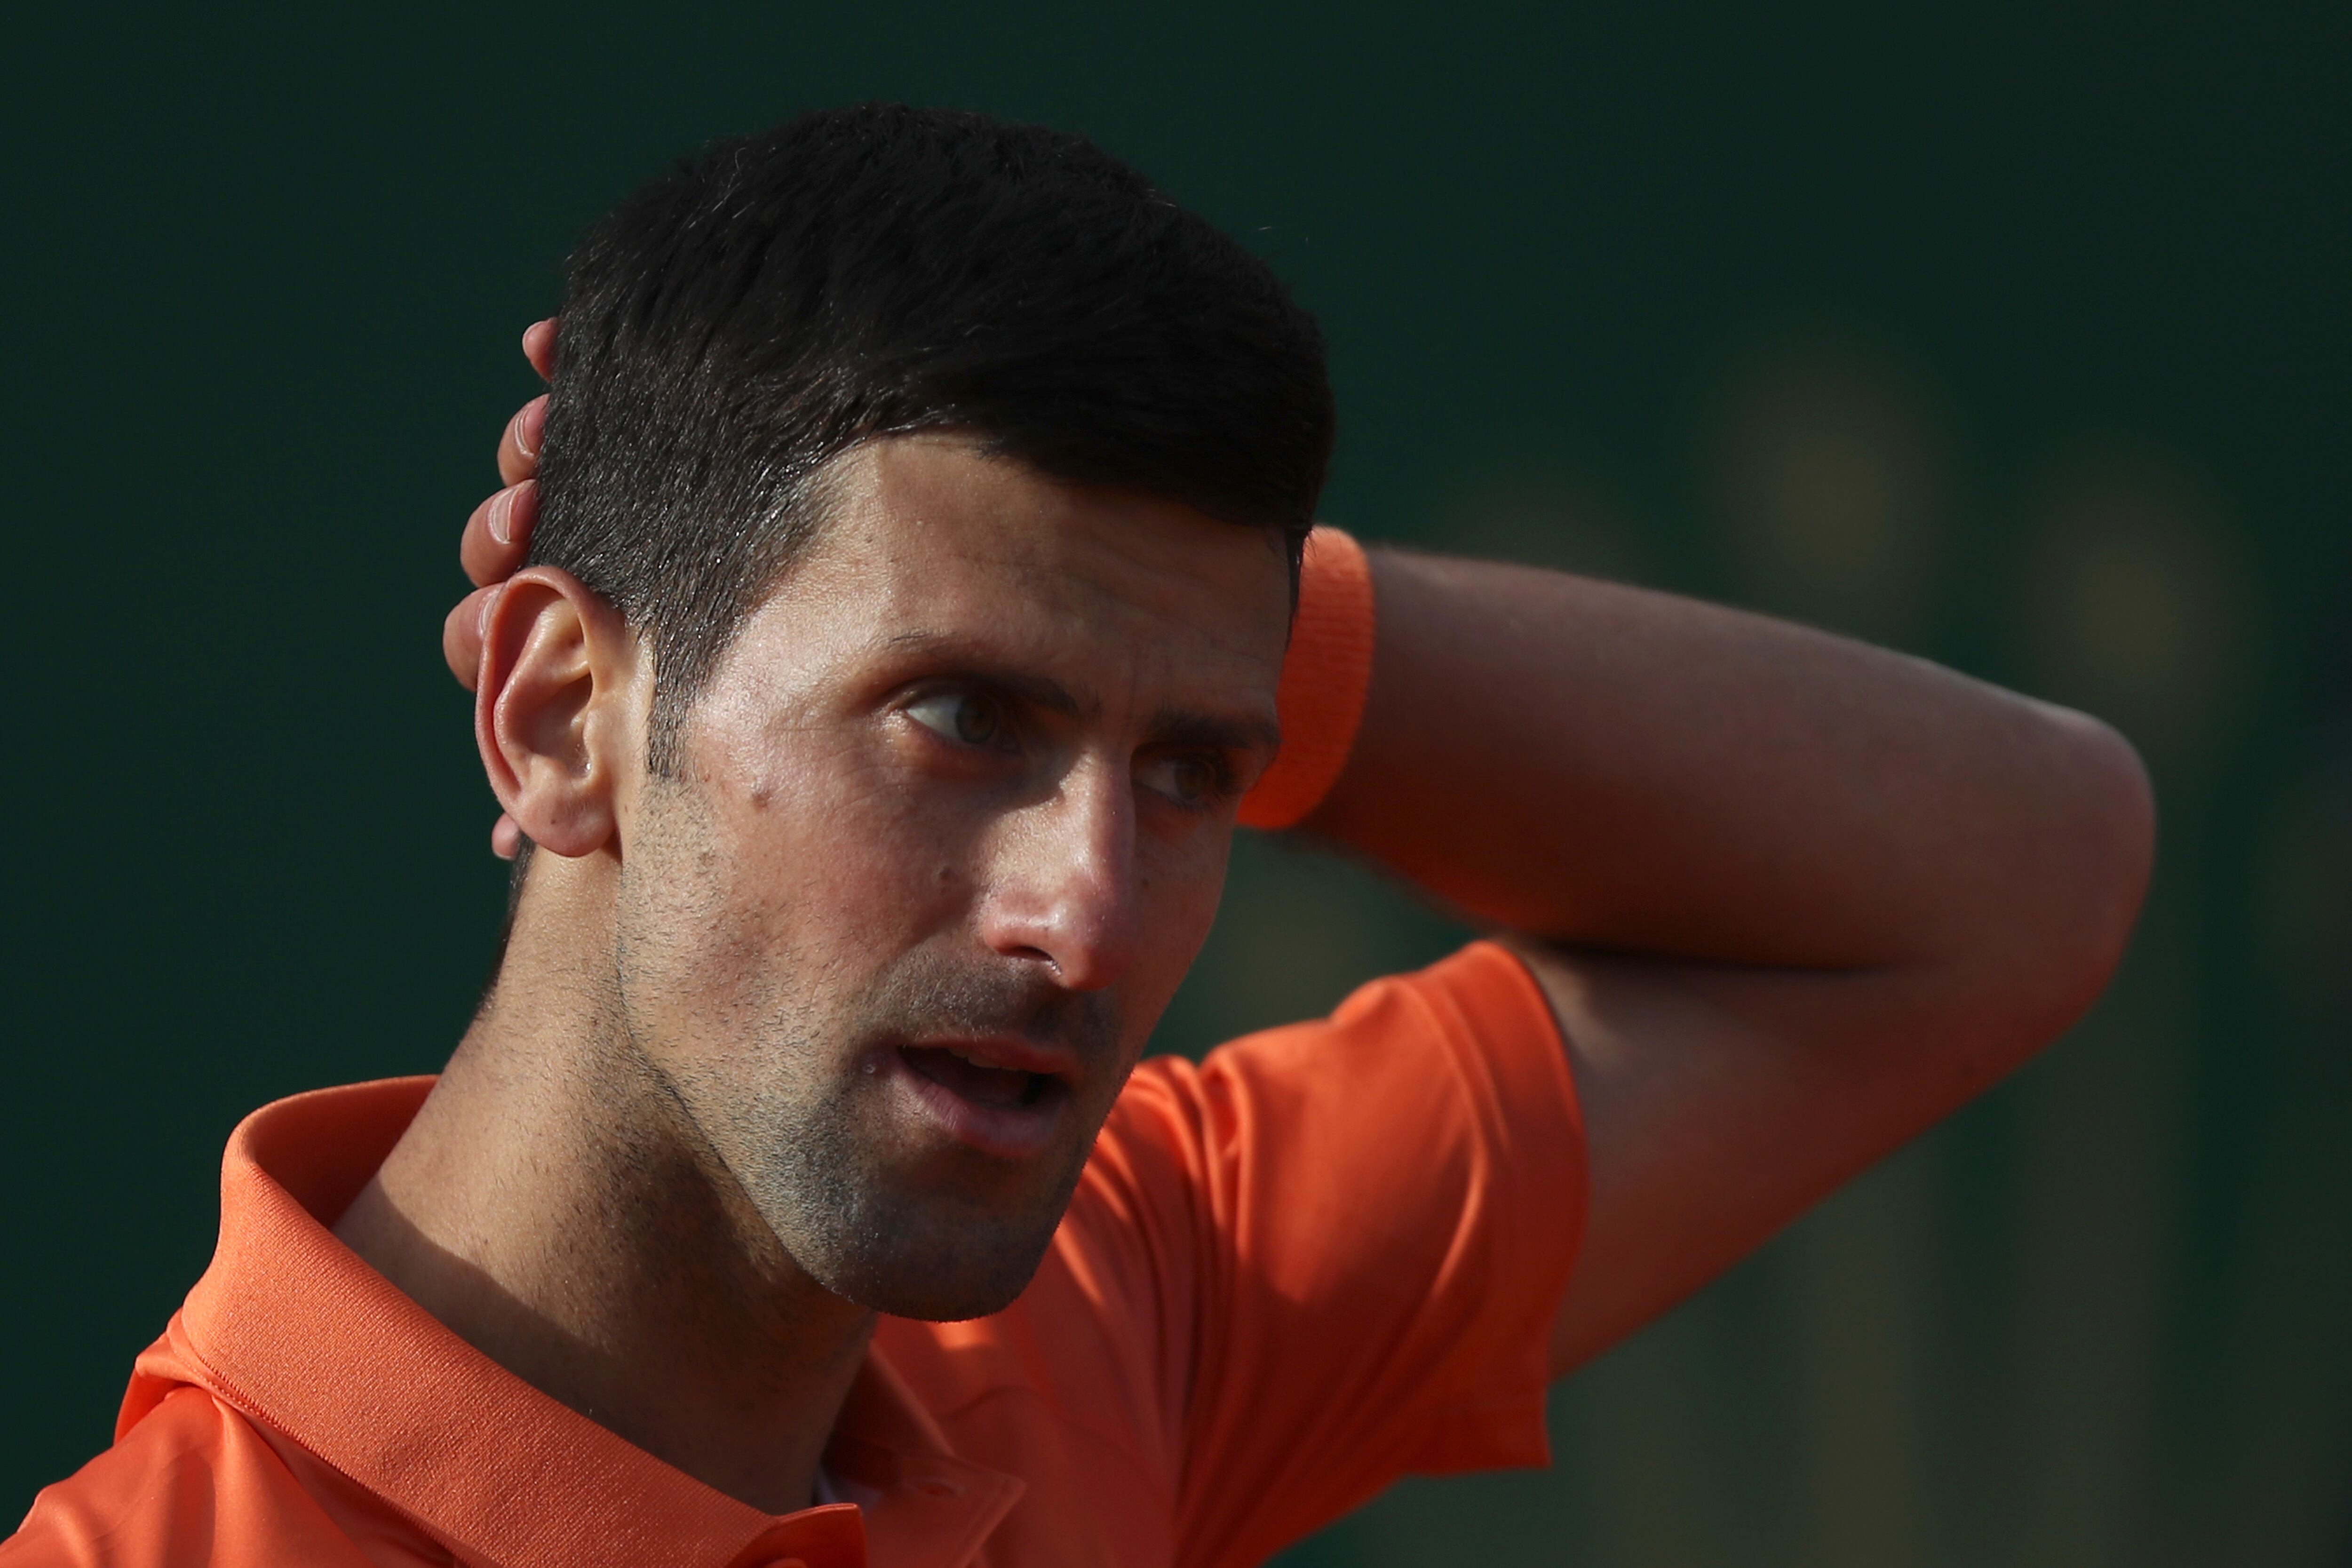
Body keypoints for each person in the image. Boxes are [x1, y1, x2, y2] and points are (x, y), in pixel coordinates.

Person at [4, 104, 2154, 1568]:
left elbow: (2017, 866)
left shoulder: (1118, 1308)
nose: (1094, 910)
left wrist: (1194, 629)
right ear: (563, 717)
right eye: (959, 718)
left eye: (1193, 771)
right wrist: (1153, 653)